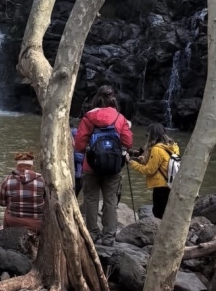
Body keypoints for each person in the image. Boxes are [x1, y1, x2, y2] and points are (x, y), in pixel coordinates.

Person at [74, 84, 133, 244]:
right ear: (113, 99)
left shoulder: (88, 117)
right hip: (113, 167)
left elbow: (79, 145)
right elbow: (128, 142)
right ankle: (109, 236)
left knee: (91, 199)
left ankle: (92, 233)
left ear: (96, 98)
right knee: (111, 200)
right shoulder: (120, 118)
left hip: (91, 165)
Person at [128, 124, 179, 219]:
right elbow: (162, 163)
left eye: (148, 134)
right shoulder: (172, 146)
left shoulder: (157, 149)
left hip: (161, 186)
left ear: (152, 135)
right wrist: (143, 160)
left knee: (158, 213)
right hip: (171, 184)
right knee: (167, 213)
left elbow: (149, 170)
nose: (146, 136)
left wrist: (132, 164)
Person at [0, 152, 45, 231]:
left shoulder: (8, 179)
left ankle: (5, 231)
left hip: (13, 222)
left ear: (17, 166)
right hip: (36, 225)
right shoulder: (41, 180)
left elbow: (2, 203)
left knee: (8, 208)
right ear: (31, 167)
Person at [71, 127, 85, 197]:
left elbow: (79, 157)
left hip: (77, 173)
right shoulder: (80, 136)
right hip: (79, 173)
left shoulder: (74, 134)